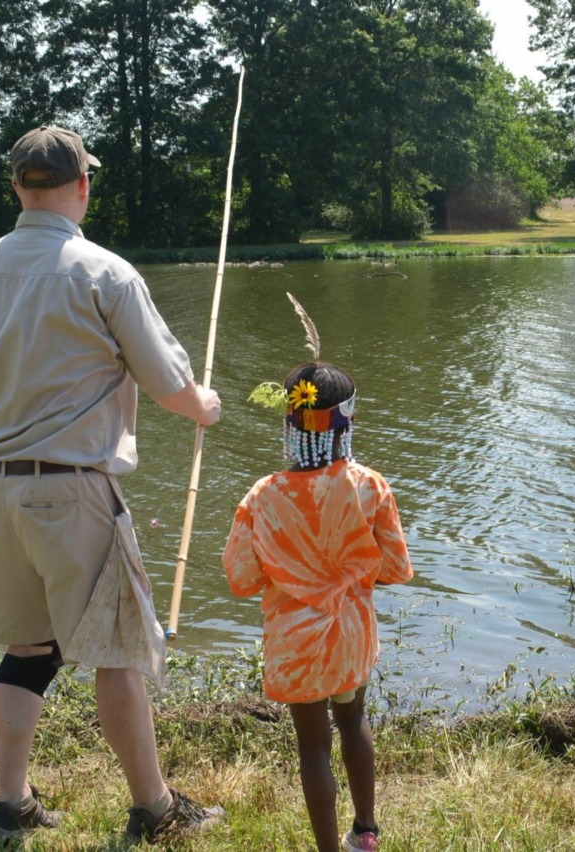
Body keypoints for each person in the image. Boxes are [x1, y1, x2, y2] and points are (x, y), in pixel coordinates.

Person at [0, 125, 225, 845]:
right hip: (72, 495)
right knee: (119, 648)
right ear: (83, 186)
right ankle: (155, 810)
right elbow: (171, 387)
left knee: (27, 649)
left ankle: (9, 805)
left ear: (17, 186)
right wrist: (206, 406)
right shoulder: (105, 272)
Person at [223, 362, 413, 852]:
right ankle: (365, 831)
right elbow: (395, 567)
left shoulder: (263, 496)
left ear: (289, 423)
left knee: (313, 745)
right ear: (346, 426)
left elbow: (241, 579)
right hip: (350, 634)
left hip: (296, 642)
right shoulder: (370, 485)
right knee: (353, 720)